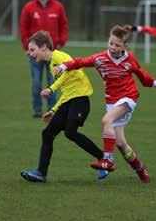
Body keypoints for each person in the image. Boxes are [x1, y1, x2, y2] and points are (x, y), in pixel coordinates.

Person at [54, 25, 156, 183]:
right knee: (121, 143)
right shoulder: (100, 59)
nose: (113, 48)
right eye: (111, 43)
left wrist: (155, 83)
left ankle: (108, 160)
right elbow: (80, 62)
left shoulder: (130, 59)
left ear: (124, 46)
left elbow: (142, 75)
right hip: (112, 101)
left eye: (117, 45)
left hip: (128, 98)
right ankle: (141, 169)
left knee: (106, 120)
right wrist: (63, 66)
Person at [20, 31, 103, 183]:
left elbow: (69, 69)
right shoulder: (52, 64)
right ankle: (41, 173)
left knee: (70, 132)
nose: (30, 54)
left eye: (32, 50)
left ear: (44, 47)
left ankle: (103, 159)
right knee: (48, 133)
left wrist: (51, 88)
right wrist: (52, 110)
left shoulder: (59, 56)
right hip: (69, 101)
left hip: (80, 99)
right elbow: (65, 91)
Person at [20, 0, 68, 118]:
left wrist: (61, 41)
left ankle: (52, 110)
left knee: (53, 82)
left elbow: (64, 25)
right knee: (36, 83)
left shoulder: (58, 7)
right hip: (34, 54)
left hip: (52, 53)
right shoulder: (29, 7)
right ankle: (37, 109)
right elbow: (23, 28)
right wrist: (27, 47)